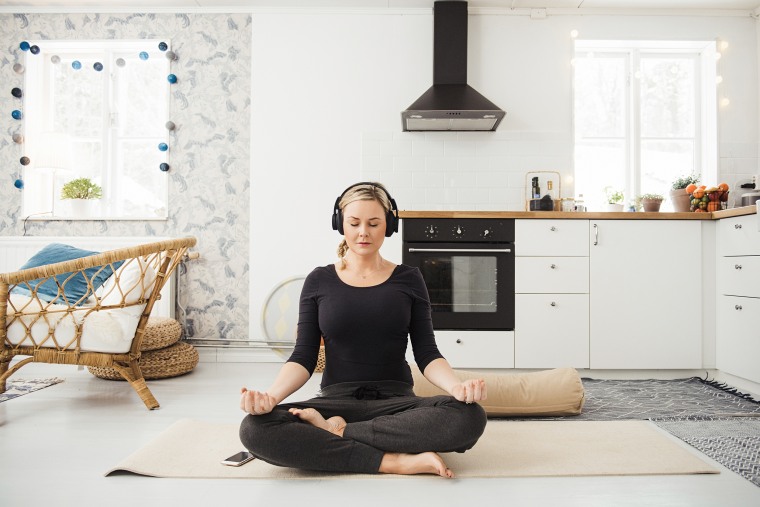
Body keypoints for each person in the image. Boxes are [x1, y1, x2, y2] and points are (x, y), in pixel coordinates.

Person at [239, 182, 487, 478]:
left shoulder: (409, 278)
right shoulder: (319, 280)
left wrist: (455, 387)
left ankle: (337, 434)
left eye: (374, 223)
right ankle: (393, 462)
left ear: (389, 225)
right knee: (255, 428)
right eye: (354, 223)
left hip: (398, 404)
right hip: (335, 401)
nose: (363, 233)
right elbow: (303, 357)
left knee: (469, 417)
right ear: (340, 224)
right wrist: (270, 398)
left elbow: (427, 352)